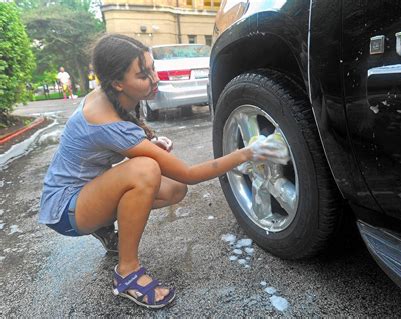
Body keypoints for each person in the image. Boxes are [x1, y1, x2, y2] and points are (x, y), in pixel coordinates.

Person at [38, 34, 288, 309]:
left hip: (84, 191)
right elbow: (190, 173)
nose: (154, 78)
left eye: (152, 67)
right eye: (143, 75)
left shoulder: (109, 96)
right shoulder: (108, 122)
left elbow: (106, 148)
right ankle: (127, 273)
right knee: (145, 170)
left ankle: (104, 226)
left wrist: (147, 144)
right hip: (65, 209)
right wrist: (249, 152)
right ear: (118, 83)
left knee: (172, 187)